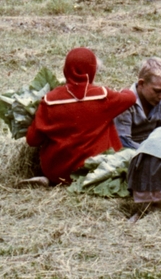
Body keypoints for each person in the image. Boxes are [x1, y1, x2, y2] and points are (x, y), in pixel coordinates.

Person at [24, 47, 136, 185]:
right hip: (94, 169)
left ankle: (50, 180)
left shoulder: (49, 100)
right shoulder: (102, 96)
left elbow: (32, 140)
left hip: (57, 172)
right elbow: (131, 98)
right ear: (92, 71)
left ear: (65, 70)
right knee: (107, 122)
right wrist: (122, 90)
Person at [114, 57, 161, 150]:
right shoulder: (125, 102)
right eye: (157, 91)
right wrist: (151, 151)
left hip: (150, 150)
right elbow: (123, 141)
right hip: (128, 152)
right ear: (141, 84)